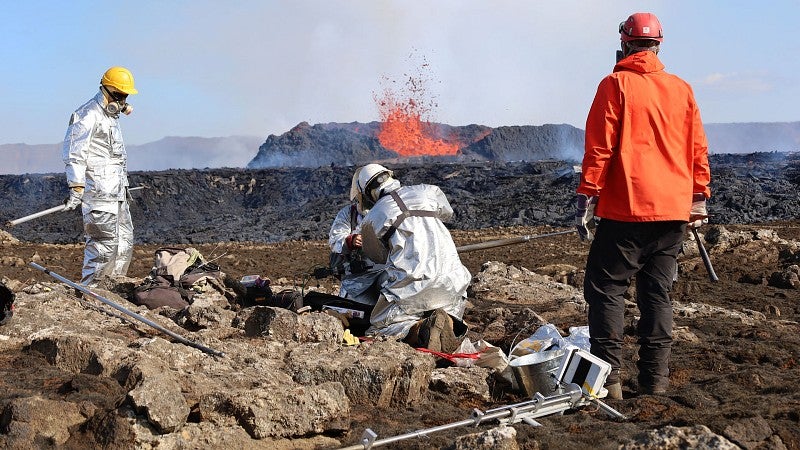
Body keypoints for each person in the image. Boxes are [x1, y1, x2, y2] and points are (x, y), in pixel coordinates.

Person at [576, 12, 711, 399]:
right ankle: (655, 382)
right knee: (657, 294)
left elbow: (599, 147)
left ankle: (609, 382)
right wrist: (698, 197)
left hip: (627, 211)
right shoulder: (681, 88)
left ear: (624, 43)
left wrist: (586, 196)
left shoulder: (614, 84)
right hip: (673, 213)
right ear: (658, 45)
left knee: (605, 289)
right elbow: (697, 148)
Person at [356, 163, 471, 352]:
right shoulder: (428, 191)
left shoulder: (373, 216)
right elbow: (447, 213)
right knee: (447, 306)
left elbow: (377, 256)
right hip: (454, 282)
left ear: (369, 193)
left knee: (379, 328)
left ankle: (419, 329)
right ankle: (448, 322)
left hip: (413, 286)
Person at [62, 66, 139, 286]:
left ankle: (113, 289)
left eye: (126, 96)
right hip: (98, 195)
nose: (124, 100)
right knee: (102, 247)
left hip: (117, 193)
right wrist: (76, 186)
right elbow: (74, 153)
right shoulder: (87, 115)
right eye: (121, 95)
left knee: (123, 242)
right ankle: (92, 293)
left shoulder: (111, 117)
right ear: (109, 91)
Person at [327, 166, 387, 307]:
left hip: (387, 275)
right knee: (356, 313)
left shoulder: (391, 212)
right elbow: (335, 240)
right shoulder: (349, 214)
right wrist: (351, 241)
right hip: (358, 282)